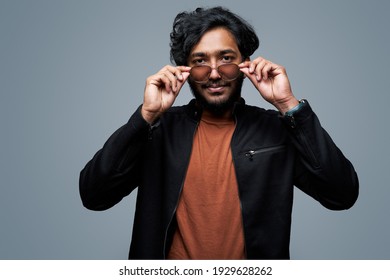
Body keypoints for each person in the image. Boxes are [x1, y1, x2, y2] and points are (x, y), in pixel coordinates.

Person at [79, 6, 359, 260]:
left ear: (245, 64)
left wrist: (289, 106)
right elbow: (94, 195)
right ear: (185, 71)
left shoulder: (276, 130)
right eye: (200, 62)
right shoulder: (157, 130)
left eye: (226, 58)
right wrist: (145, 117)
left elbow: (341, 194)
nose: (214, 73)